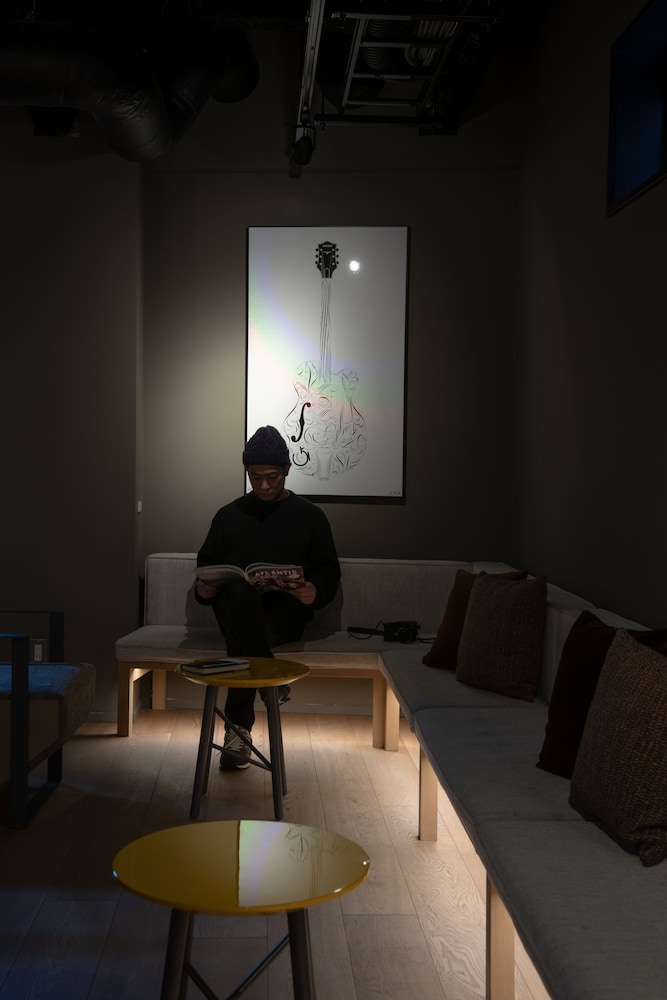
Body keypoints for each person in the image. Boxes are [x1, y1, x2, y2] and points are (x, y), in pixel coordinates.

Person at [195, 425, 341, 770]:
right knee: (238, 593)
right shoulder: (228, 516)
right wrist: (204, 589)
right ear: (246, 470)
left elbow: (329, 570)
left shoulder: (310, 516)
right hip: (234, 611)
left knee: (243, 640)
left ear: (287, 469)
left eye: (272, 477)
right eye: (255, 477)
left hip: (283, 616)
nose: (263, 486)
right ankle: (269, 677)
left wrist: (314, 590)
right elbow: (206, 566)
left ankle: (238, 733)